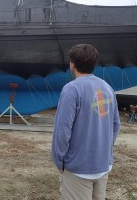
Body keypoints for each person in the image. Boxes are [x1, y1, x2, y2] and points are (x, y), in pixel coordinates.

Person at [52, 44, 121, 200]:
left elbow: (63, 130)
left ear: (72, 64)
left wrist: (59, 160)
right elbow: (116, 124)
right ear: (93, 64)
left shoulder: (72, 89)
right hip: (103, 164)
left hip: (78, 168)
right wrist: (106, 152)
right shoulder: (108, 88)